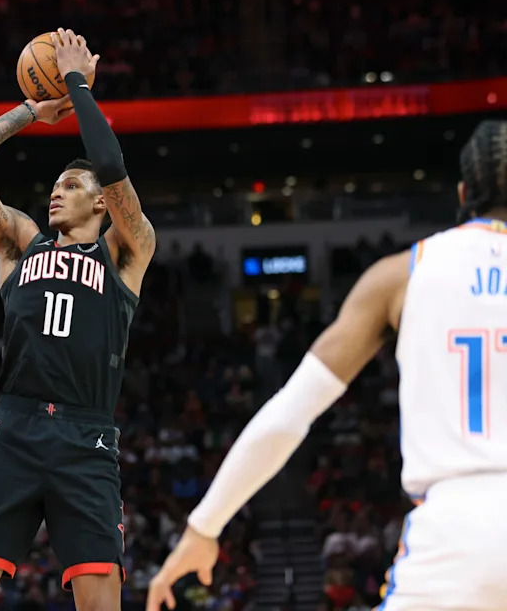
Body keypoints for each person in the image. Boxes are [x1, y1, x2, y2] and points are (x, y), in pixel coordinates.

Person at [147, 120, 507, 611]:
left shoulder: (400, 275)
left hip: (453, 532)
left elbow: (290, 413)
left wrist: (203, 527)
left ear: (463, 192)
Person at [0, 28, 156, 611]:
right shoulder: (20, 245)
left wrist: (78, 84)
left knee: (101, 604)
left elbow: (110, 164)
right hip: (16, 427)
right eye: (55, 184)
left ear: (101, 202)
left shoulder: (126, 252)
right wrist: (28, 113)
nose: (57, 192)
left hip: (87, 436)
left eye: (72, 185)